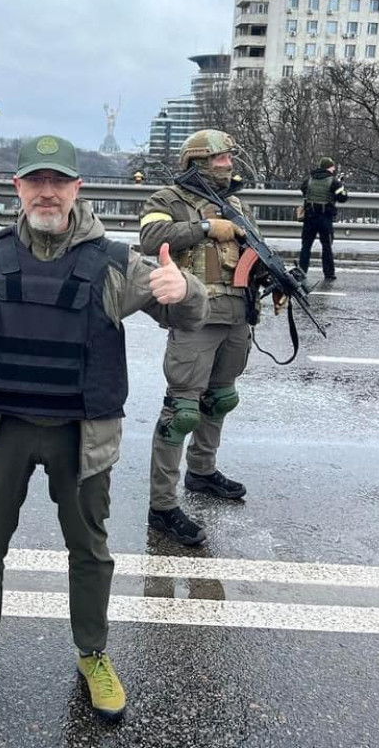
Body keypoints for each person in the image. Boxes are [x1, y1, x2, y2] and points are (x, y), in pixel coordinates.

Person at [0, 134, 209, 729]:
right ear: (18, 187)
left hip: (80, 437)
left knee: (90, 553)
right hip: (0, 429)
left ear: (77, 188)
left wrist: (187, 291)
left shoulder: (113, 262)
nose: (47, 192)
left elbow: (189, 310)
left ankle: (93, 654)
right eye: (36, 180)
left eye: (59, 181)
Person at [139, 129, 272, 547]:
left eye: (229, 157)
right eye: (220, 158)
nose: (228, 164)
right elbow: (150, 239)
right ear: (197, 161)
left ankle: (202, 471)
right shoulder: (167, 199)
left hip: (237, 314)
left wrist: (275, 278)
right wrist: (206, 227)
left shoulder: (236, 203)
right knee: (182, 411)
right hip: (195, 316)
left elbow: (255, 250)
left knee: (221, 399)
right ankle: (162, 506)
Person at [298, 156, 348, 282]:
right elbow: (343, 198)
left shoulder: (309, 179)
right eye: (332, 167)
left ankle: (301, 272)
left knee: (306, 246)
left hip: (309, 217)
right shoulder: (334, 182)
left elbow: (303, 190)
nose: (334, 169)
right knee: (326, 246)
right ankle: (329, 274)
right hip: (325, 218)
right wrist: (341, 186)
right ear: (328, 167)